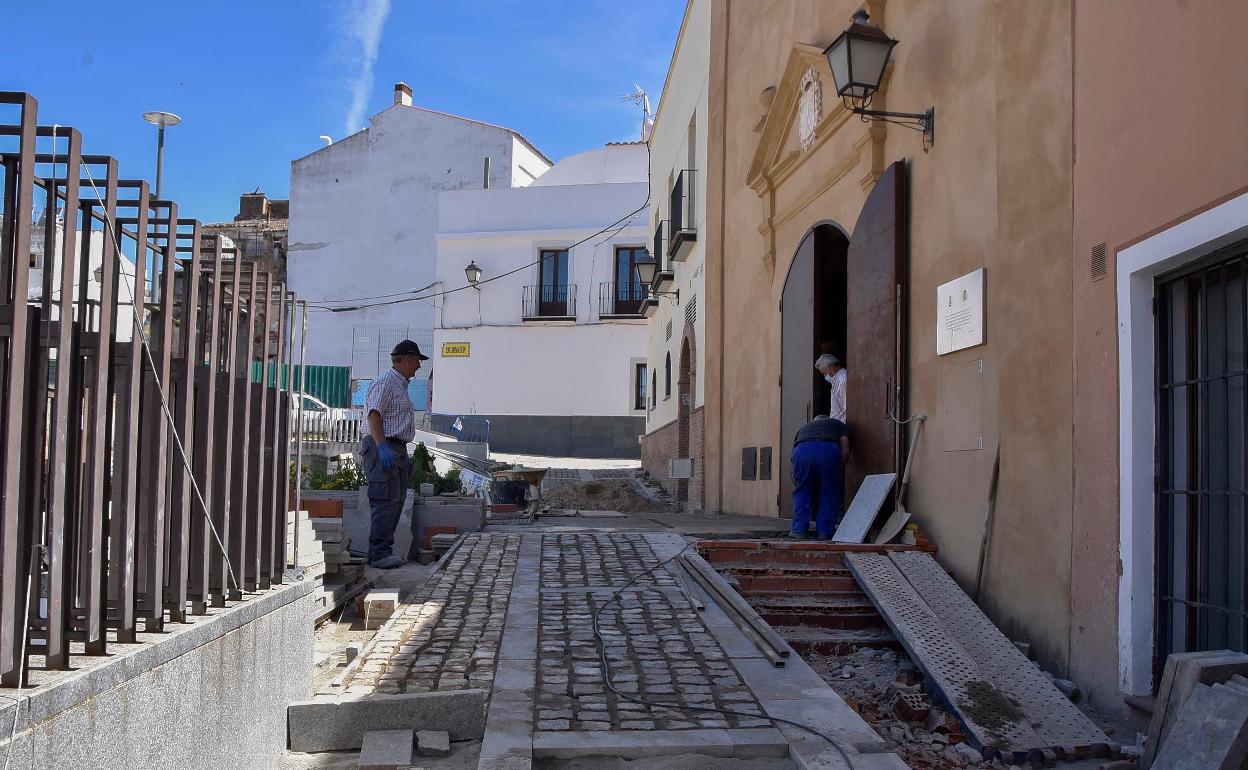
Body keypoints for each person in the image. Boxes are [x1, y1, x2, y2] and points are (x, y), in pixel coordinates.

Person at [361, 339, 427, 568]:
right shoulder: (387, 381)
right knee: (385, 500)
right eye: (417, 360)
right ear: (407, 359)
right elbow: (374, 415)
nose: (419, 366)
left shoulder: (399, 384)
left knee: (396, 501)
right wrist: (382, 447)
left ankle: (383, 551)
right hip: (383, 445)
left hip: (395, 446)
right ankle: (379, 554)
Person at [790, 415, 850, 540]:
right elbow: (845, 450)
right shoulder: (838, 424)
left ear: (815, 421)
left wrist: (796, 479)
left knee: (803, 491)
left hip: (802, 451)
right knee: (829, 491)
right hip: (828, 449)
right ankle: (824, 531)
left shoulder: (804, 428)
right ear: (827, 419)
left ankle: (798, 530)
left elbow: (792, 458)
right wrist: (839, 468)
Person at [815, 354, 847, 422]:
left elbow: (847, 408)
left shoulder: (843, 381)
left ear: (831, 367)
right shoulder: (835, 381)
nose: (824, 376)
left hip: (841, 425)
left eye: (824, 372)